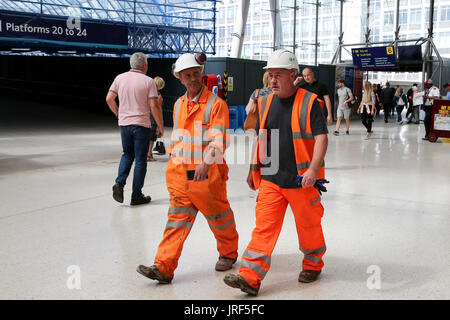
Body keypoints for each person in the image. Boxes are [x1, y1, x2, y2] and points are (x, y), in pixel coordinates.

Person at [223, 49, 328, 296]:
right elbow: (262, 138)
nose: (272, 80)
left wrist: (313, 169)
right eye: (270, 75)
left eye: (278, 75)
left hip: (302, 180)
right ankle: (250, 278)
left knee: (309, 226)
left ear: (293, 75)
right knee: (263, 229)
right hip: (271, 177)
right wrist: (252, 167)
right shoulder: (265, 101)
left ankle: (313, 264)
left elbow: (322, 138)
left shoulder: (311, 102)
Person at [136, 53, 239, 284]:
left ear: (200, 74)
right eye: (187, 75)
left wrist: (206, 162)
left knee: (218, 217)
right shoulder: (179, 104)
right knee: (176, 222)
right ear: (179, 78)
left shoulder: (216, 104)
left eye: (195, 73)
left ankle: (228, 253)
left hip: (207, 174)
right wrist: (173, 159)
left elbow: (220, 139)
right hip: (180, 176)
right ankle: (163, 267)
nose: (193, 78)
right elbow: (180, 138)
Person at [106, 52, 163, 206]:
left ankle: (119, 183)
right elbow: (154, 105)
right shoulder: (148, 81)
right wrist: (160, 124)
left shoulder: (120, 78)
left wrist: (119, 114)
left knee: (127, 154)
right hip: (141, 125)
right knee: (140, 160)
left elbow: (109, 98)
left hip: (124, 124)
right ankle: (136, 195)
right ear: (144, 65)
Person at [147, 76, 165, 161]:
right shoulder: (158, 96)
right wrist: (160, 123)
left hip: (146, 117)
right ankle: (149, 154)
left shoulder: (147, 94)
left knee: (146, 137)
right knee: (152, 138)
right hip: (154, 119)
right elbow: (158, 109)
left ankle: (145, 154)